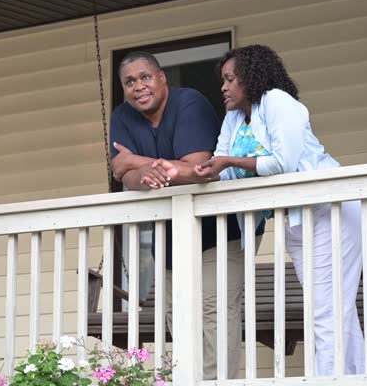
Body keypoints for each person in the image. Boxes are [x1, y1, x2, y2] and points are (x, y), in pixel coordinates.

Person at [191, 44, 365, 376]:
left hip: (329, 209)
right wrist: (202, 171)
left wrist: (228, 161)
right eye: (222, 81)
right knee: (334, 311)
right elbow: (223, 167)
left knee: (327, 313)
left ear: (250, 78)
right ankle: (357, 377)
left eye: (230, 79)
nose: (223, 88)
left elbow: (282, 163)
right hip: (296, 219)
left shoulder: (277, 102)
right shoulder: (233, 117)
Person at [109, 51, 262, 380]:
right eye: (130, 82)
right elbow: (126, 179)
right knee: (175, 316)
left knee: (214, 311)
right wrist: (146, 168)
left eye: (145, 77)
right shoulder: (122, 116)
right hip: (169, 236)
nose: (139, 87)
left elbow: (198, 169)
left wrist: (134, 160)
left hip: (220, 230)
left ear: (162, 78)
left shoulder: (188, 102)